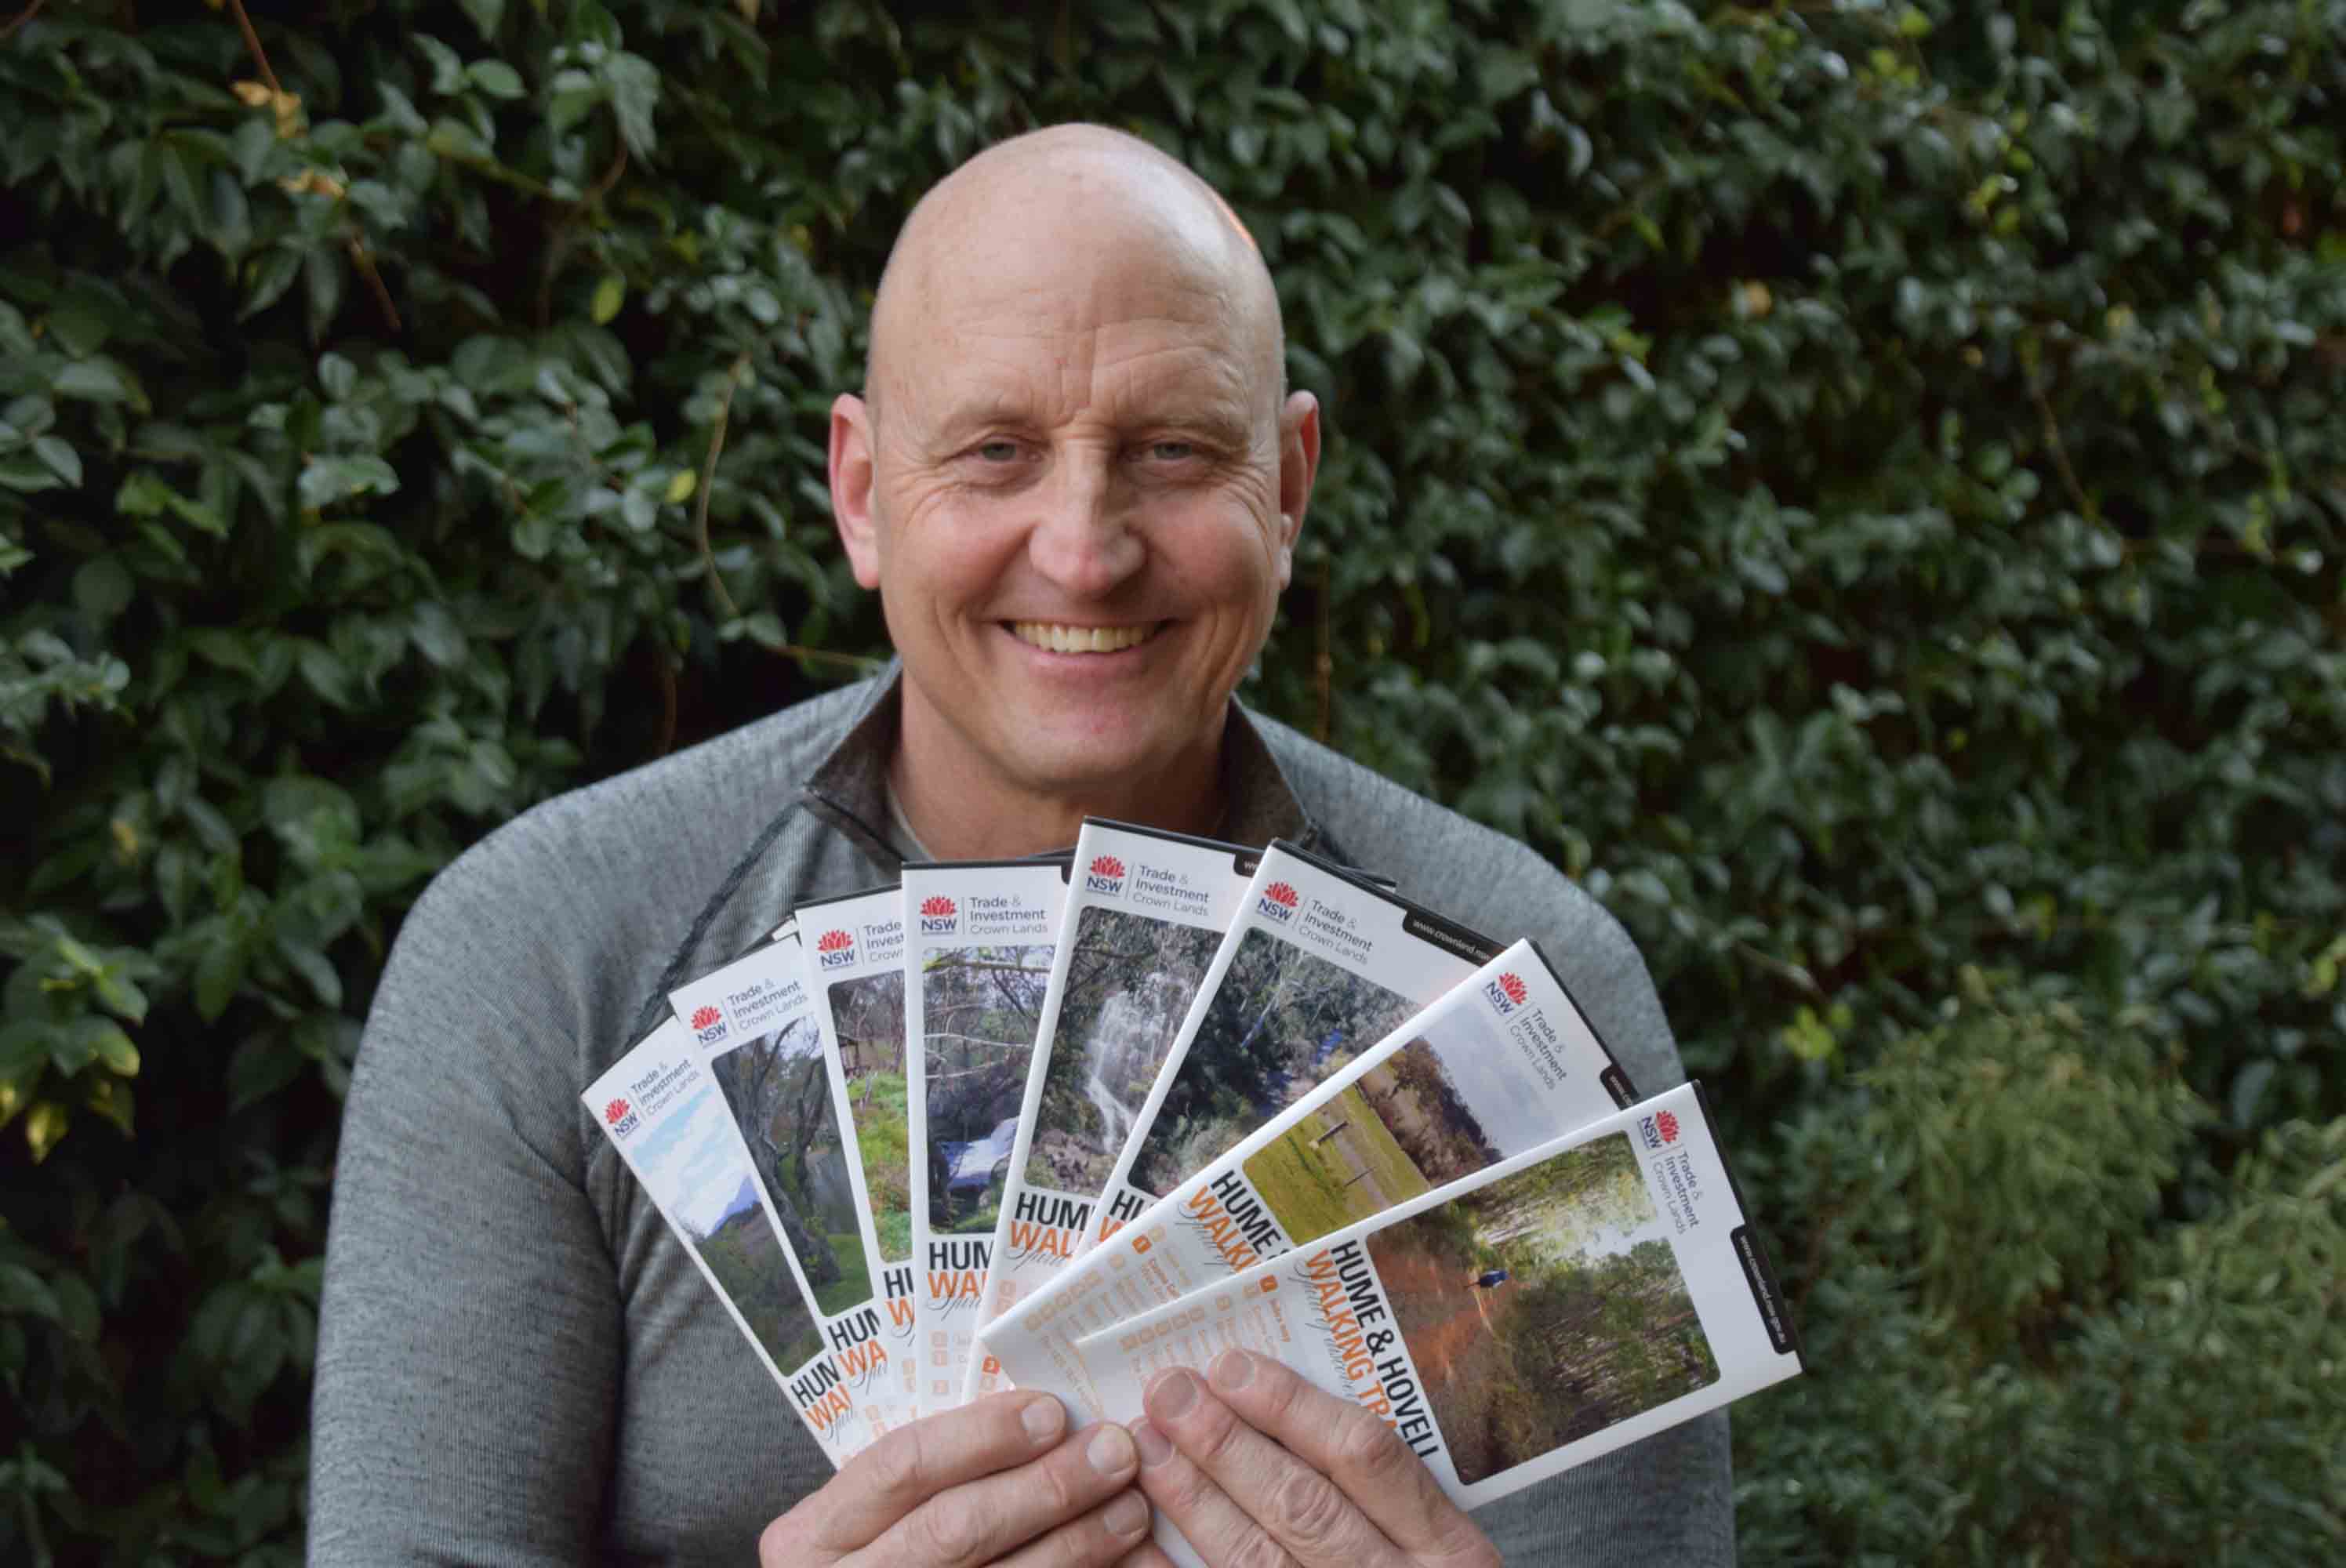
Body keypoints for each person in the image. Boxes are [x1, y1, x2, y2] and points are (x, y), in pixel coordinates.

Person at [309, 125, 1731, 1566]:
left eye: (1171, 452)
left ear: (1288, 488)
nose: (1084, 548)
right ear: (863, 493)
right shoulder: (548, 956)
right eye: (996, 453)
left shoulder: (1518, 996)